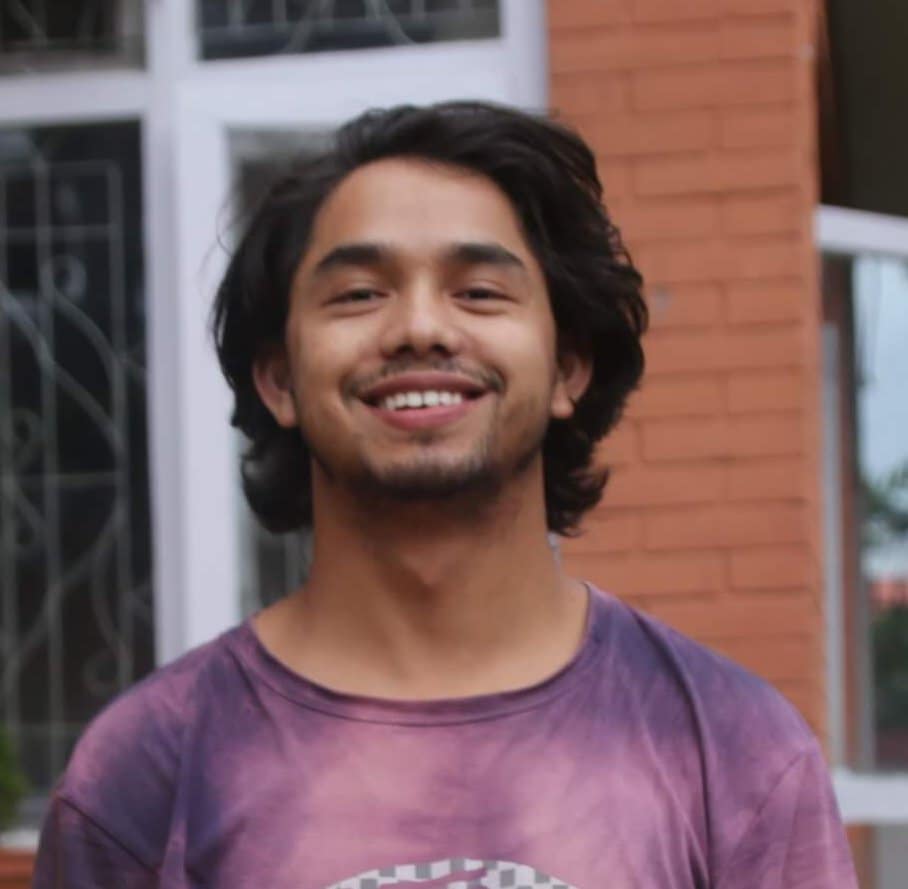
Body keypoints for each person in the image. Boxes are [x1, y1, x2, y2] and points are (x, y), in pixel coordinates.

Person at [33, 101, 857, 889]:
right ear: (279, 378)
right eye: (359, 294)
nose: (420, 328)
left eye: (479, 291)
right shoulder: (142, 777)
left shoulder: (735, 751)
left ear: (568, 367)